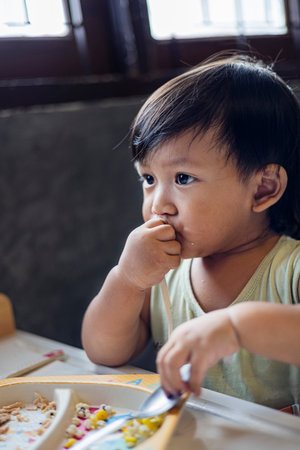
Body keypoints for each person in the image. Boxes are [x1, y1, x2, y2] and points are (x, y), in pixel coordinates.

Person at [81, 52, 300, 409]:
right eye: (148, 179)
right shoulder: (164, 273)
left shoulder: (289, 269)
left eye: (183, 178)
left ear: (263, 188)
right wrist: (127, 279)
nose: (158, 205)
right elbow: (103, 352)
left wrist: (237, 326)